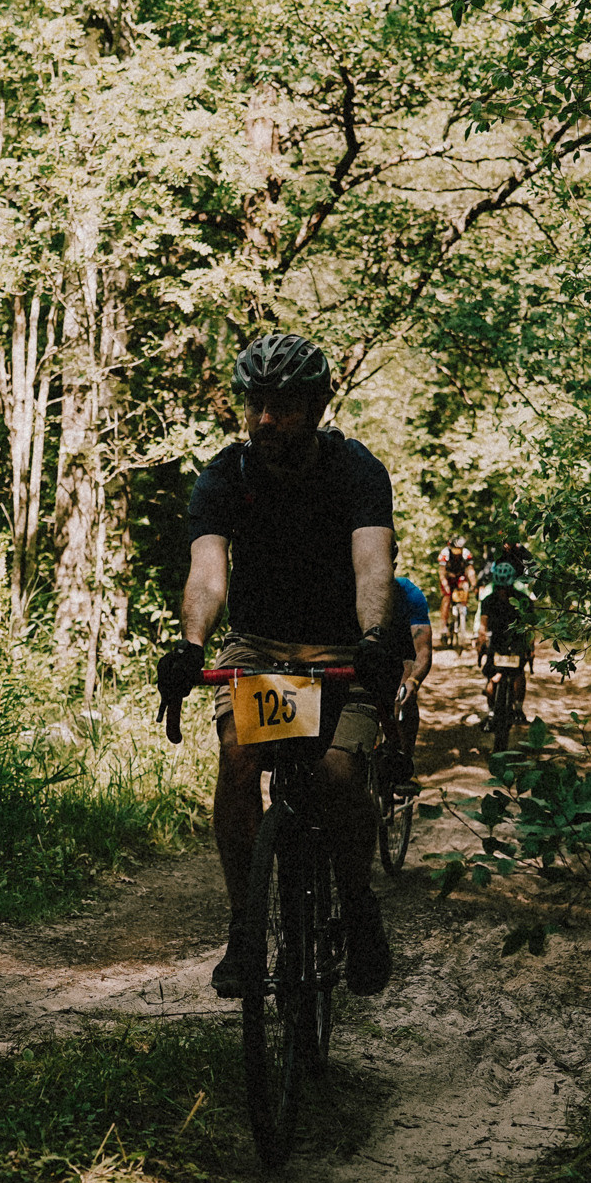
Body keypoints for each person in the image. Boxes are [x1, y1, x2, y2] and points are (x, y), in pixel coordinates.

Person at [155, 332, 412, 999]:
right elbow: (208, 576)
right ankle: (245, 929)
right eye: (256, 403)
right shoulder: (226, 475)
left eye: (285, 405)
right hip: (261, 650)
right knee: (239, 757)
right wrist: (189, 644)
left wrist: (378, 638)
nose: (267, 419)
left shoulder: (356, 471)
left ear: (320, 404)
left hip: (340, 652)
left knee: (336, 773)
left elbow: (372, 566)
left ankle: (358, 908)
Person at [385, 549, 434, 785]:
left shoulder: (409, 594)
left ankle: (405, 759)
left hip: (400, 653)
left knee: (404, 694)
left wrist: (413, 682)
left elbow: (422, 651)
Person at [477, 559, 539, 718]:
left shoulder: (488, 600)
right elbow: (529, 626)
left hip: (504, 641)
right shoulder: (523, 600)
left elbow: (483, 626)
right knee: (517, 673)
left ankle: (494, 713)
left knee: (500, 675)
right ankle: (516, 709)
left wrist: (481, 645)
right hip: (510, 641)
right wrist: (531, 648)